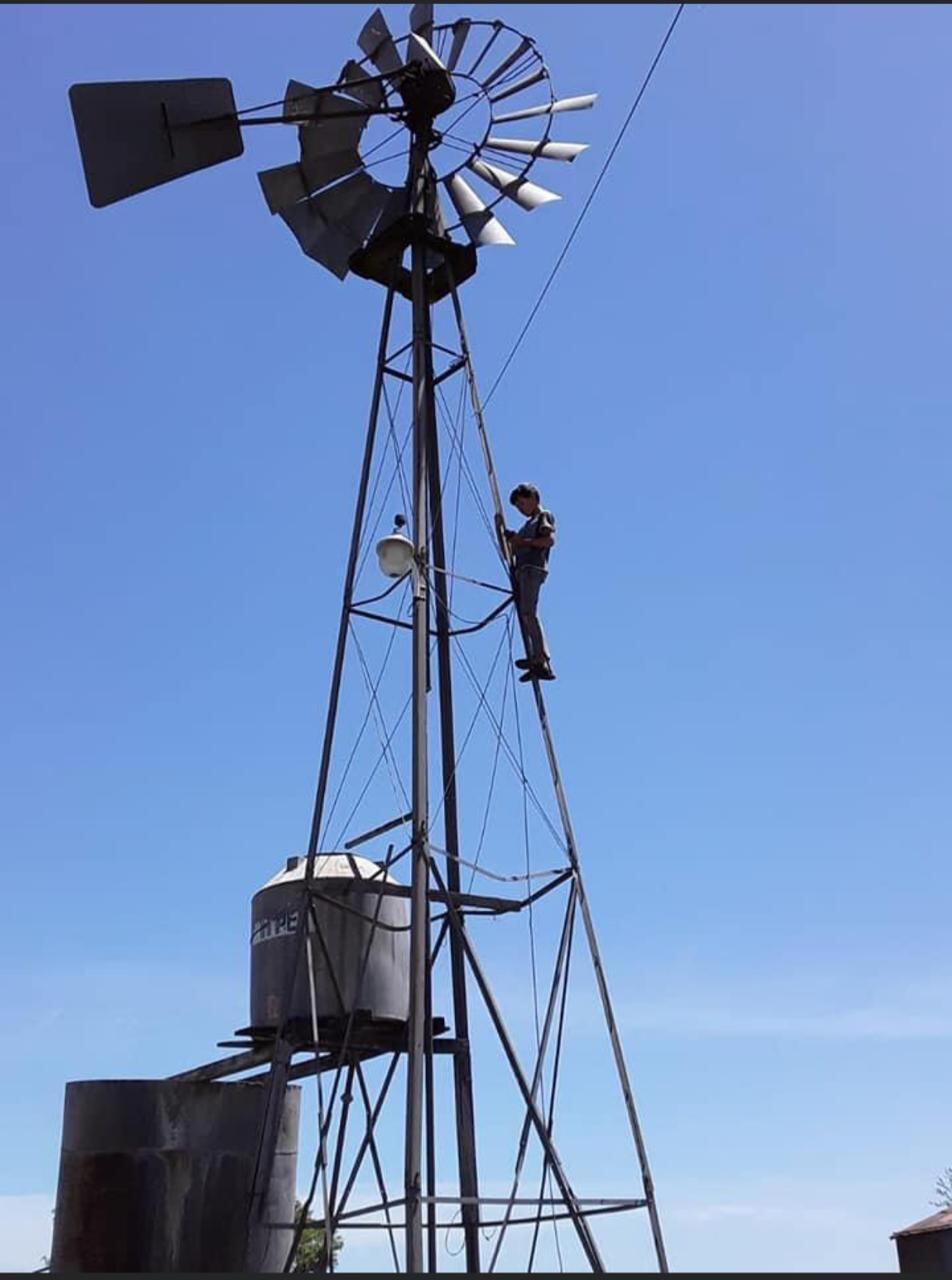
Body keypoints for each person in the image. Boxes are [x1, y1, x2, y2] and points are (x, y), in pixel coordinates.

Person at [505, 483, 556, 682]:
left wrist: (522, 543)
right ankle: (536, 656)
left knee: (529, 613)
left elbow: (548, 541)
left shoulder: (542, 517)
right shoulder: (527, 525)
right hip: (524, 570)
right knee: (526, 613)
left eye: (522, 504)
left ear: (534, 498)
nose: (520, 509)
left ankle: (541, 658)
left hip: (532, 569)